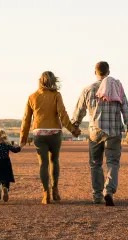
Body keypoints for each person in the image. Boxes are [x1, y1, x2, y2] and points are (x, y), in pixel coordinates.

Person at [71, 61, 128, 206]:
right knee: (113, 162)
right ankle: (109, 190)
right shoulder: (117, 87)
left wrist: (75, 125)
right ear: (108, 72)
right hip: (114, 131)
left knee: (95, 163)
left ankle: (97, 195)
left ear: (95, 72)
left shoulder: (88, 89)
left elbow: (79, 110)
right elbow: (126, 108)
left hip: (95, 132)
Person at [20, 71, 81, 205]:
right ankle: (55, 189)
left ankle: (45, 193)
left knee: (43, 164)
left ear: (40, 81)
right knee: (54, 160)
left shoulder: (32, 97)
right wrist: (73, 130)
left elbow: (26, 119)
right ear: (53, 81)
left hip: (39, 133)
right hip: (55, 133)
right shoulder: (56, 95)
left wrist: (23, 139)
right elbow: (62, 114)